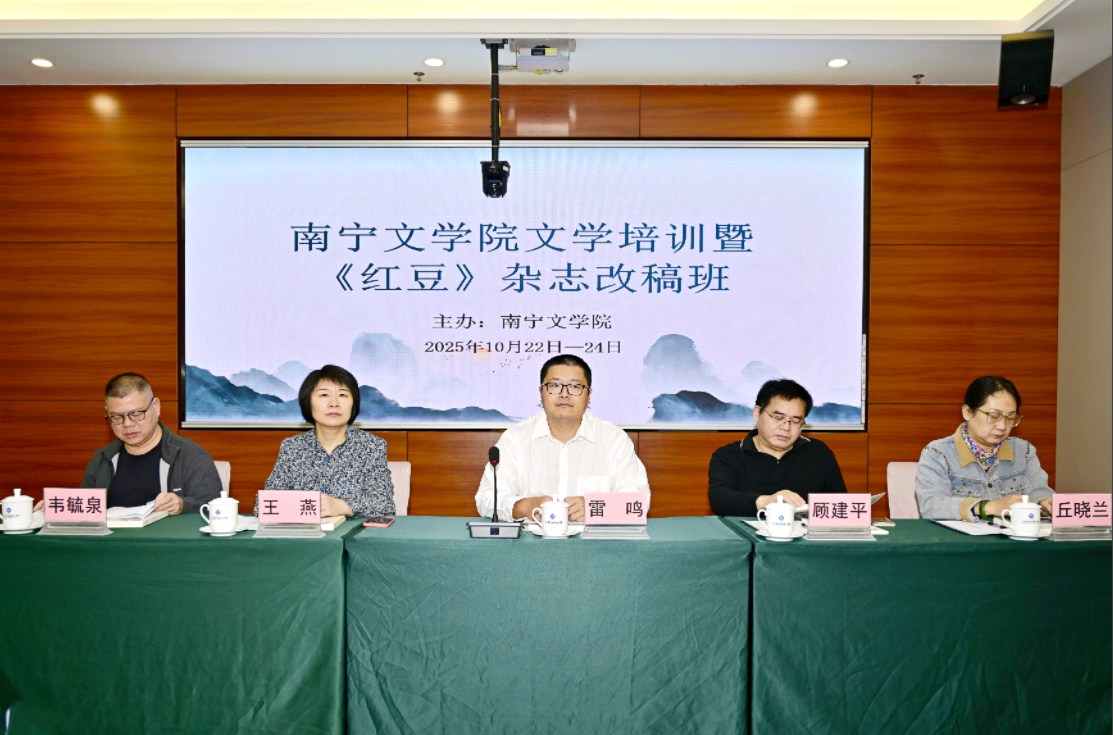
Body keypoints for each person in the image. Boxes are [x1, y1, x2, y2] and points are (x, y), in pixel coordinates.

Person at [475, 354, 650, 523]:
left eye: (575, 386)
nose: (564, 394)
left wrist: (595, 507)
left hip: (595, 541)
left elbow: (638, 504)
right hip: (531, 541)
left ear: (589, 395)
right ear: (541, 392)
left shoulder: (614, 440)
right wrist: (524, 506)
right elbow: (486, 498)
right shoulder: (515, 439)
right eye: (554, 385)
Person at [263, 365, 394, 517]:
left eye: (343, 395)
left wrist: (345, 507)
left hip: (354, 531)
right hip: (304, 531)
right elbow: (266, 504)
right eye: (324, 395)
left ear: (353, 403)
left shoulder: (371, 446)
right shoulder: (292, 447)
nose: (334, 403)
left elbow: (385, 505)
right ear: (308, 402)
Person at [915, 375, 1053, 521]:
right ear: (967, 412)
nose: (1002, 426)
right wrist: (988, 507)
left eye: (1010, 417)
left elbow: (1039, 492)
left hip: (1013, 535)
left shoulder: (1024, 451)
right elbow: (932, 506)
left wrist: (1044, 504)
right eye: (994, 416)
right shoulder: (938, 454)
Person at [82, 372, 221, 513]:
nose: (127, 424)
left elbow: (216, 509)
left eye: (136, 414)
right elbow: (83, 514)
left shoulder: (191, 456)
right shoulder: (102, 459)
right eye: (117, 417)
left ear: (156, 406)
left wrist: (182, 505)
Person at [708, 378, 846, 516]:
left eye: (795, 421)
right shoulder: (728, 456)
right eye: (778, 417)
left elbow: (841, 506)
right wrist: (767, 501)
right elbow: (720, 500)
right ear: (757, 413)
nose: (786, 427)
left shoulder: (818, 452)